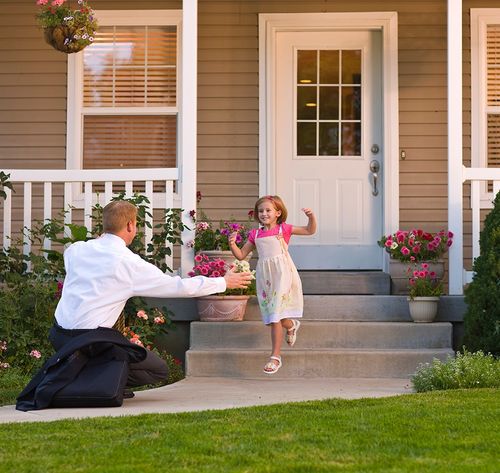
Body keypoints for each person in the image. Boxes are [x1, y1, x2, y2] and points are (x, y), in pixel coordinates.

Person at [51, 200, 253, 388]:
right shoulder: (128, 263)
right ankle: (90, 385)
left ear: (105, 225)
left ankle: (82, 376)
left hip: (59, 337)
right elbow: (177, 287)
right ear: (130, 225)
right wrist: (223, 282)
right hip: (90, 342)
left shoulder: (76, 250)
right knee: (157, 369)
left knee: (116, 353)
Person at [229, 195, 316, 374]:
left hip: (283, 275)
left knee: (275, 315)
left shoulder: (283, 229)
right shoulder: (255, 234)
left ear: (278, 213)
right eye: (260, 211)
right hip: (266, 277)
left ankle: (275, 357)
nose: (264, 213)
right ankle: (291, 325)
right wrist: (232, 244)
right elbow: (241, 255)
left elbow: (309, 231)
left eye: (268, 210)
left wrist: (311, 217)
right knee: (273, 316)